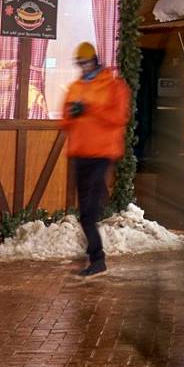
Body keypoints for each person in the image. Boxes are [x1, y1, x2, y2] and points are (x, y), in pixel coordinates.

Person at [60, 39, 130, 279]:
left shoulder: (113, 86)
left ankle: (97, 259)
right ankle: (94, 253)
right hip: (80, 154)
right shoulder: (75, 87)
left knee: (88, 212)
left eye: (87, 63)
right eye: (80, 64)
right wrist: (72, 114)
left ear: (96, 61)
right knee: (87, 212)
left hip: (102, 153)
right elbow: (65, 122)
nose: (84, 68)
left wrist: (89, 109)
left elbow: (118, 117)